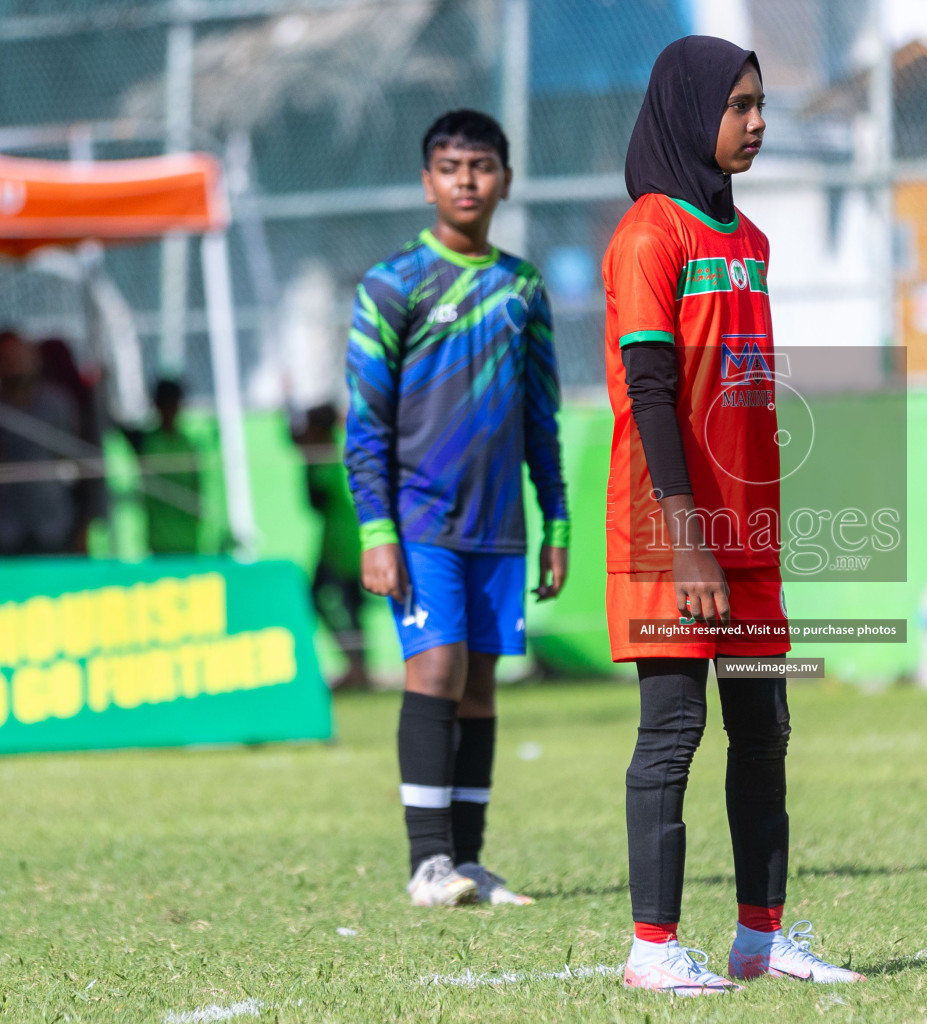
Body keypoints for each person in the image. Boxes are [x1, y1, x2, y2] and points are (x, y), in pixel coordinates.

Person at [603, 37, 864, 994]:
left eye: (762, 105)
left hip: (747, 535)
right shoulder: (649, 234)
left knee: (765, 731)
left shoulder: (749, 241)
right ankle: (652, 949)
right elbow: (652, 387)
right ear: (688, 110)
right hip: (672, 532)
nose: (757, 122)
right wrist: (687, 536)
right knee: (673, 732)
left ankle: (761, 939)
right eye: (739, 105)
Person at [345, 109, 570, 908]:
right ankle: (427, 863)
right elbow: (365, 422)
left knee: (479, 686)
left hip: (501, 526)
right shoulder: (393, 283)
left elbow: (542, 416)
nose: (466, 179)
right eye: (449, 165)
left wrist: (558, 522)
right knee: (434, 666)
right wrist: (376, 530)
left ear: (505, 179)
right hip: (420, 522)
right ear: (426, 180)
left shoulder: (523, 287)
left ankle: (467, 864)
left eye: (481, 165)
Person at [294, 403, 371, 692]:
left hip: (339, 545)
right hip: (350, 540)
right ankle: (359, 668)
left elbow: (315, 502)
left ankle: (357, 666)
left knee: (324, 599)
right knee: (350, 606)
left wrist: (306, 459)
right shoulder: (342, 452)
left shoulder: (324, 457)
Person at [0, 329, 81, 555]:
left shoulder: (57, 403)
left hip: (53, 525)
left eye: (19, 356)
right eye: (7, 358)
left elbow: (75, 463)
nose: (15, 363)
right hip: (7, 529)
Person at [35, 338, 105, 553]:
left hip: (73, 510)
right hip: (42, 516)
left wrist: (86, 521)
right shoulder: (42, 405)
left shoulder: (78, 403)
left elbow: (89, 467)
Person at [123, 378, 203, 556]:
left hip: (189, 541)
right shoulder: (145, 441)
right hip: (158, 543)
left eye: (173, 405)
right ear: (156, 406)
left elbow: (198, 490)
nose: (170, 411)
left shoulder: (188, 446)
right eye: (165, 405)